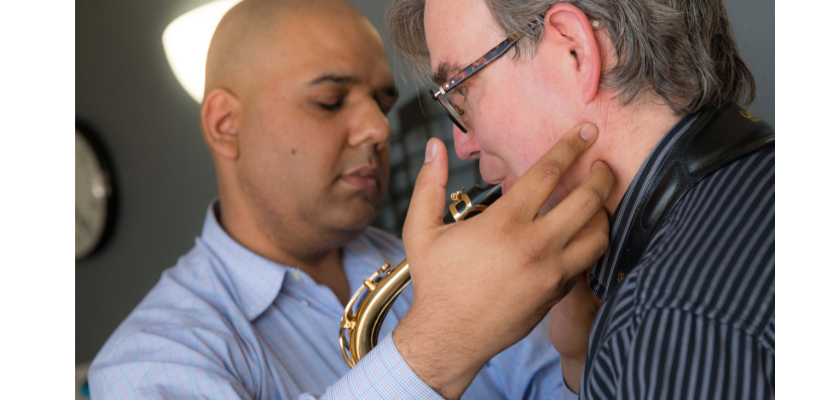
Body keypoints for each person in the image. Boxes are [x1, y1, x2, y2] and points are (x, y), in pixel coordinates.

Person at [89, 0, 611, 398]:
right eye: (329, 101)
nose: (376, 129)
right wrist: (432, 351)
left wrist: (576, 352)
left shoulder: (448, 259)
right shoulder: (147, 362)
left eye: (381, 102)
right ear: (226, 125)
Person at [385, 0, 775, 399]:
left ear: (575, 51)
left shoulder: (665, 321)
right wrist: (577, 356)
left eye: (462, 91)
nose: (462, 144)